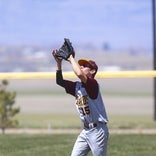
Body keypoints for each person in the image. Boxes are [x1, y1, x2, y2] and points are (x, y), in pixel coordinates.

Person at [52, 49, 109, 156]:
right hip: (86, 131)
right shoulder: (77, 87)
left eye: (85, 66)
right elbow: (59, 81)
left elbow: (79, 73)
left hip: (98, 131)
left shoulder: (93, 84)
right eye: (81, 65)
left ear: (92, 71)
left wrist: (70, 58)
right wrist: (59, 63)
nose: (81, 67)